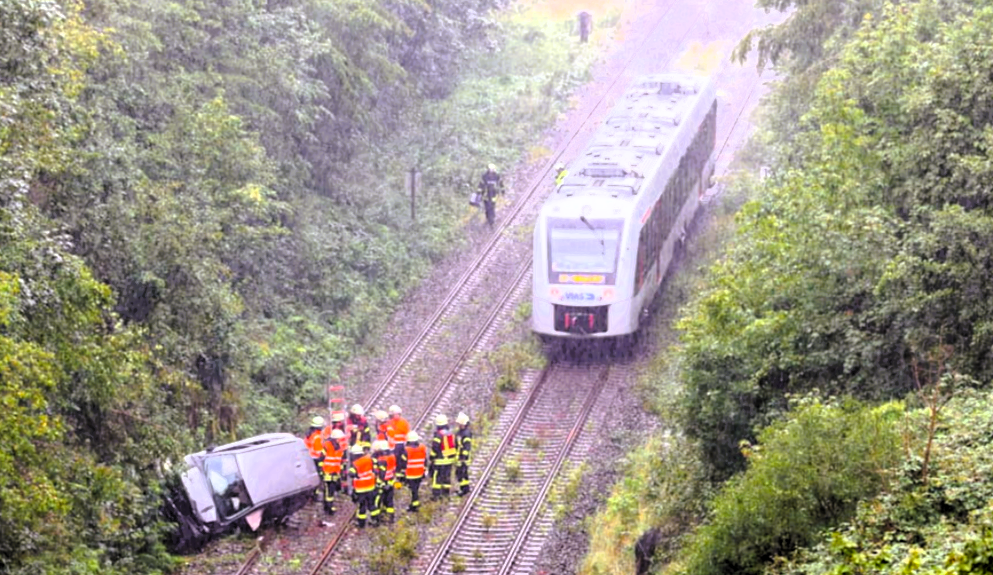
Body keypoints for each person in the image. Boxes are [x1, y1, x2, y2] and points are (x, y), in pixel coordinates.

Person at [348, 444, 376, 528]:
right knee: (372, 505)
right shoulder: (368, 459)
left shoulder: (355, 463)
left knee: (362, 506)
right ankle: (375, 520)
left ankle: (361, 523)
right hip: (371, 486)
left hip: (361, 488)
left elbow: (351, 473)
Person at [430, 414, 458, 499]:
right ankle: (446, 494)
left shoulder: (438, 435)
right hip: (449, 460)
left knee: (437, 478)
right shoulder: (451, 433)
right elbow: (456, 444)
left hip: (440, 460)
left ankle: (436, 495)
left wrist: (432, 457)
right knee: (447, 477)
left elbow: (435, 446)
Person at [398, 431, 427, 512]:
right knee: (415, 489)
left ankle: (414, 505)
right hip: (420, 473)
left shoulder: (406, 450)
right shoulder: (422, 448)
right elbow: (425, 460)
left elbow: (402, 464)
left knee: (412, 490)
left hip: (410, 474)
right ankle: (415, 504)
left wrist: (401, 476)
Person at [321, 429, 346, 515]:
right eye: (339, 439)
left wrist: (341, 471)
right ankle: (328, 507)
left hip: (335, 472)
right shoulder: (327, 446)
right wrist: (321, 471)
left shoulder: (339, 447)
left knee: (332, 490)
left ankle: (329, 506)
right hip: (327, 472)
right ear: (334, 439)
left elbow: (340, 461)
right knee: (328, 491)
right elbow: (321, 458)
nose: (340, 440)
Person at [373, 439, 397, 524]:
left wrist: (380, 483)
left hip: (382, 483)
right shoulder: (392, 456)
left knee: (378, 500)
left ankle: (377, 519)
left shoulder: (382, 459)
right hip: (391, 481)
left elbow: (381, 473)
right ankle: (391, 517)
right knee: (389, 501)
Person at [455, 412, 473, 496]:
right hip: (459, 457)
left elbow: (467, 446)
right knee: (461, 473)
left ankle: (464, 490)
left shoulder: (466, 433)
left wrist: (463, 457)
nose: (458, 425)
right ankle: (464, 488)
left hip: (463, 458)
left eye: (460, 423)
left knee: (462, 473)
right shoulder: (460, 432)